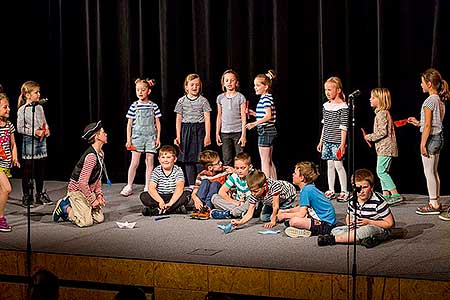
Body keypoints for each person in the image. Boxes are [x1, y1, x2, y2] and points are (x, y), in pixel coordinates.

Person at [407, 68, 450, 216]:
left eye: (422, 82)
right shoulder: (439, 100)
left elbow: (428, 125)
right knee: (434, 171)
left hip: (431, 138)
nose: (421, 85)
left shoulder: (429, 101)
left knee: (428, 172)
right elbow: (432, 122)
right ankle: (436, 200)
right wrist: (418, 122)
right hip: (439, 137)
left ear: (430, 84)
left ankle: (433, 204)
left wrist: (422, 143)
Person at [318, 168, 395, 247]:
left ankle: (333, 240)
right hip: (358, 228)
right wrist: (349, 224)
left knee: (366, 230)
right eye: (358, 188)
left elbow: (390, 224)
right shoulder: (352, 200)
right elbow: (349, 216)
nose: (361, 191)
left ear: (371, 187)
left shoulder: (378, 201)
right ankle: (366, 240)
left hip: (377, 228)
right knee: (335, 230)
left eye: (365, 187)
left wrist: (369, 222)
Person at [52, 121, 108, 227]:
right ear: (97, 137)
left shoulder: (100, 153)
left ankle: (80, 207)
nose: (105, 134)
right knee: (86, 222)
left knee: (99, 218)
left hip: (88, 190)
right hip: (77, 190)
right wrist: (92, 201)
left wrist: (99, 195)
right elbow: (82, 183)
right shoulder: (91, 157)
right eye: (103, 132)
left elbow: (98, 177)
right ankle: (65, 207)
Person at [120, 78, 161, 197]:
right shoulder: (134, 106)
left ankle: (148, 186)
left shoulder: (153, 106)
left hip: (150, 137)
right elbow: (129, 124)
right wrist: (129, 139)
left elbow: (157, 123)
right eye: (138, 90)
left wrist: (158, 138)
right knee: (134, 162)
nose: (140, 92)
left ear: (148, 91)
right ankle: (129, 185)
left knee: (149, 162)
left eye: (143, 90)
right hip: (137, 137)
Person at [362, 88, 403, 205]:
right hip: (384, 148)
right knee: (383, 171)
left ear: (380, 100)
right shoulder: (382, 113)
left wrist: (369, 137)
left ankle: (395, 193)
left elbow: (382, 132)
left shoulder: (382, 114)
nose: (370, 99)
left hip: (386, 148)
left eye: (373, 97)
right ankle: (386, 194)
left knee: (380, 171)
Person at [277, 161, 336, 238]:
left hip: (326, 225)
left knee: (293, 221)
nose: (293, 174)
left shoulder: (306, 191)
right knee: (289, 221)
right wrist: (286, 211)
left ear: (302, 178)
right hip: (325, 221)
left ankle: (306, 231)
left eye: (295, 173)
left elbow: (301, 214)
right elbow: (302, 207)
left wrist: (285, 215)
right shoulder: (308, 188)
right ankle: (305, 227)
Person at [17, 81, 52, 207]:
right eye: (36, 92)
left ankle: (39, 193)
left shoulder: (39, 107)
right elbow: (20, 128)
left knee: (40, 168)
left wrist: (46, 129)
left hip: (41, 140)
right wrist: (34, 132)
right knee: (28, 169)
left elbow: (44, 121)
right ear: (27, 94)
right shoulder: (23, 110)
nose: (39, 94)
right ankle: (27, 196)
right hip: (29, 141)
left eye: (39, 92)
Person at [174, 73, 212, 186]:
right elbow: (178, 119)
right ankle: (191, 185)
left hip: (199, 130)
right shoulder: (181, 101)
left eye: (197, 85)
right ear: (186, 86)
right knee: (188, 159)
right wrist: (178, 136)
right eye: (192, 85)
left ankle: (200, 185)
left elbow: (207, 119)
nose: (195, 87)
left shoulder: (203, 101)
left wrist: (208, 135)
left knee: (200, 159)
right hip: (186, 130)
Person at [316, 76, 350, 202]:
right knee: (329, 165)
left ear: (338, 90)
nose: (327, 92)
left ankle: (344, 191)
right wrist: (321, 141)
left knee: (338, 165)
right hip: (327, 141)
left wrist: (342, 144)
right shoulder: (326, 106)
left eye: (330, 89)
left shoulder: (343, 107)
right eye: (326, 90)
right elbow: (325, 125)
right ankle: (331, 189)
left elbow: (343, 127)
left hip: (337, 142)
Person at [231, 169, 296, 229]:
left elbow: (275, 206)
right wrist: (240, 222)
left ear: (264, 186)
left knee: (276, 217)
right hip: (270, 200)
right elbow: (249, 213)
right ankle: (282, 211)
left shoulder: (274, 186)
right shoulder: (254, 193)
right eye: (251, 191)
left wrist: (273, 221)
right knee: (264, 218)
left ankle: (293, 211)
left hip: (286, 197)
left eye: (256, 191)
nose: (253, 194)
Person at [139, 145, 192, 216]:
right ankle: (174, 209)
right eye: (163, 157)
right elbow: (151, 187)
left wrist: (171, 203)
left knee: (187, 194)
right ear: (159, 159)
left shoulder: (178, 170)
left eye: (169, 157)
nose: (165, 160)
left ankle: (158, 210)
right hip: (160, 196)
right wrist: (160, 201)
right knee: (144, 196)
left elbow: (180, 187)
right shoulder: (157, 170)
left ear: (175, 159)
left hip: (173, 196)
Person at [246, 69, 278, 179]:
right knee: (268, 160)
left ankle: (267, 185)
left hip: (266, 131)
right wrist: (255, 114)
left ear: (265, 87)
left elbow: (268, 116)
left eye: (258, 85)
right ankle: (274, 183)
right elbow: (266, 115)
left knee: (264, 161)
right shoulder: (267, 97)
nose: (255, 87)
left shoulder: (265, 99)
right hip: (269, 130)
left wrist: (254, 124)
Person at [215, 69, 247, 166]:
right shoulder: (220, 98)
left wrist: (244, 135)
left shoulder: (240, 97)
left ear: (236, 83)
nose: (229, 83)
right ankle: (229, 179)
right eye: (227, 80)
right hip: (225, 133)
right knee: (226, 159)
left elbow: (243, 116)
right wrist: (217, 133)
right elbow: (219, 116)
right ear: (223, 83)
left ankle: (241, 179)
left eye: (232, 80)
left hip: (238, 132)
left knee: (240, 158)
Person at [190, 150, 231, 219]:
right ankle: (200, 209)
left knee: (215, 184)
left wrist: (234, 172)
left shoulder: (225, 171)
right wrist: (196, 200)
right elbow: (194, 192)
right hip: (203, 199)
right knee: (205, 181)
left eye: (220, 161)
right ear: (210, 168)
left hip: (216, 198)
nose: (221, 163)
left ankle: (207, 208)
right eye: (218, 163)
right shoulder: (202, 175)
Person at [210, 152, 253, 219]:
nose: (239, 171)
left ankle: (230, 213)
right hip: (238, 203)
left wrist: (244, 203)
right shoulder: (235, 176)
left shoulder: (253, 176)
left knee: (254, 201)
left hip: (249, 203)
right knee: (214, 198)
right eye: (237, 168)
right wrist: (234, 202)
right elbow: (222, 191)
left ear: (250, 167)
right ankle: (239, 212)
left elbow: (256, 195)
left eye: (242, 168)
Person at [0, 93, 20, 232]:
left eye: (8, 107)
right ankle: (0, 218)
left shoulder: (9, 125)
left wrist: (15, 157)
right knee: (7, 189)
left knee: (2, 190)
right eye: (4, 107)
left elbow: (13, 144)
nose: (8, 109)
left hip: (6, 164)